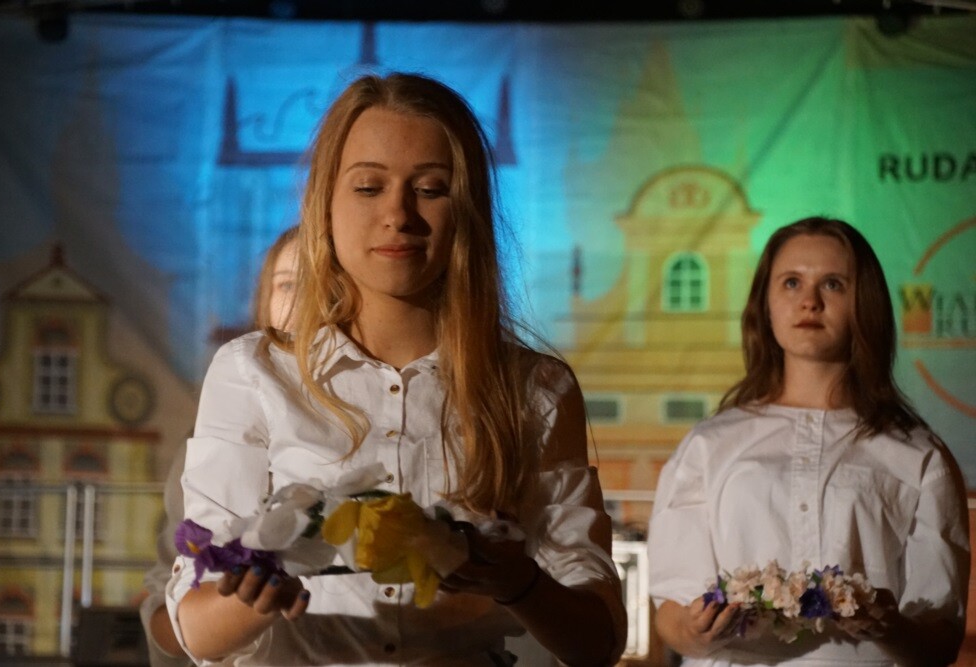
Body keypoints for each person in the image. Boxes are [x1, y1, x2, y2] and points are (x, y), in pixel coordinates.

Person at [164, 72, 628, 666]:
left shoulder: (535, 388)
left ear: (468, 210)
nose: (398, 214)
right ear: (324, 203)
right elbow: (197, 629)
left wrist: (520, 584)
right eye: (368, 187)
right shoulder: (254, 372)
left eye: (431, 189)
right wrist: (259, 594)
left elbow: (597, 642)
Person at [647, 216, 970, 666]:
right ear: (765, 304)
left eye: (833, 284)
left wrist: (890, 627)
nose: (810, 301)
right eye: (792, 282)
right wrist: (696, 631)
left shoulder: (917, 455)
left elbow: (939, 640)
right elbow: (671, 613)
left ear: (866, 304)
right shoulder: (709, 445)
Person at [139, 224, 299, 667]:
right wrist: (217, 618)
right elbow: (168, 599)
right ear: (263, 302)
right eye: (288, 285)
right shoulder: (211, 440)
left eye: (323, 285)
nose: (304, 304)